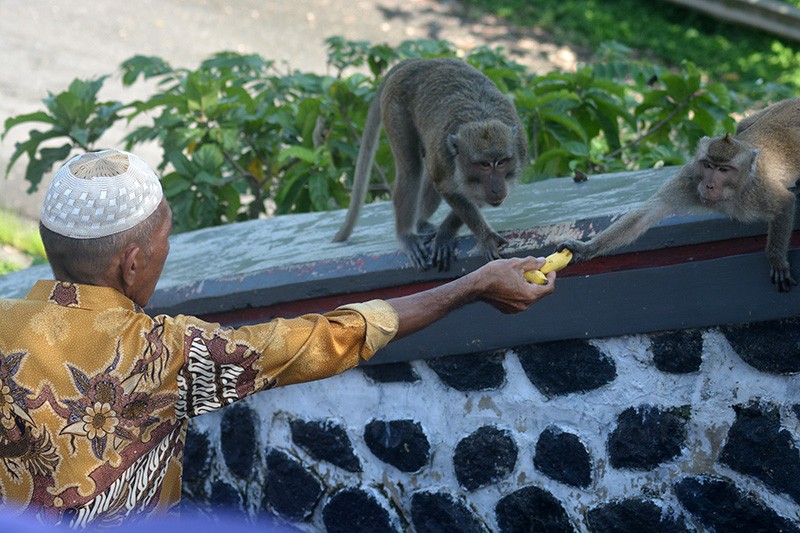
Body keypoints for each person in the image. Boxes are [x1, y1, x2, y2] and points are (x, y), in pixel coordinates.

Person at [0, 150, 555, 527]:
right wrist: (474, 285)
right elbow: (324, 338)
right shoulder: (162, 354)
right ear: (133, 262)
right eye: (167, 237)